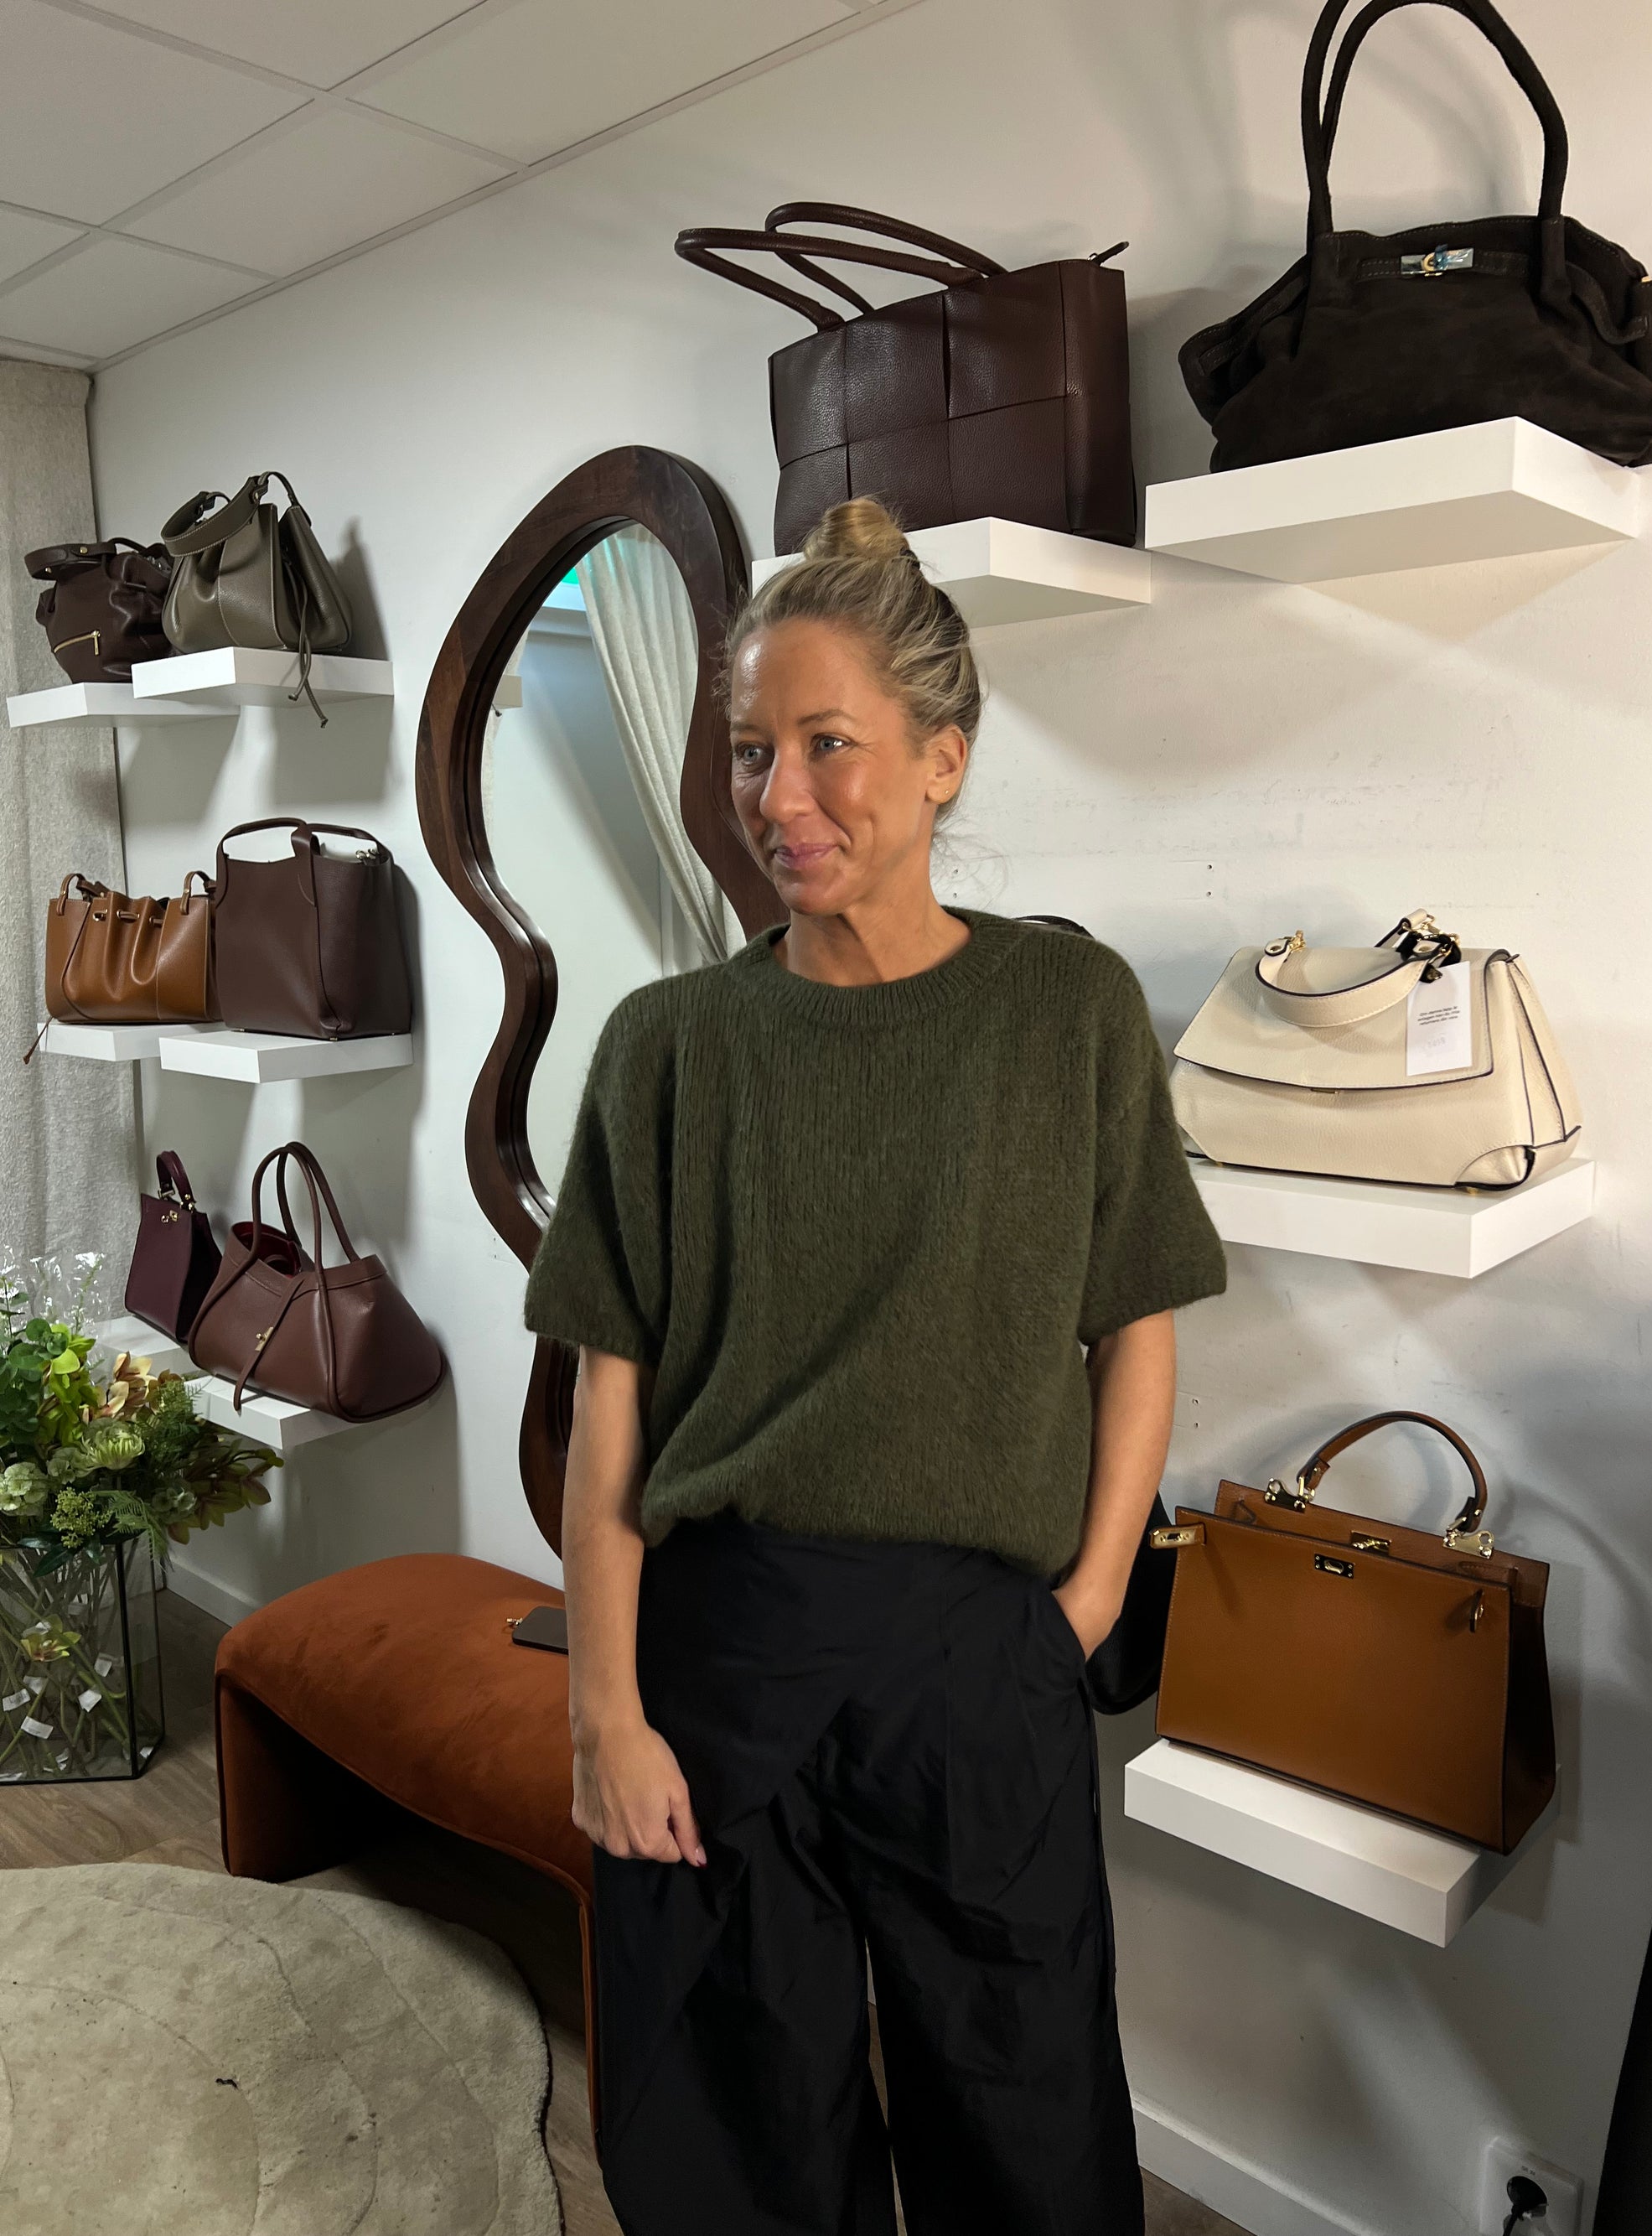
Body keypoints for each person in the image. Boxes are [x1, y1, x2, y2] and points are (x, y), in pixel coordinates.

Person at [524, 496, 1227, 2236]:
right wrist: (604, 1711)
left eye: (827, 744)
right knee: (738, 2147)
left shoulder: (1065, 1013)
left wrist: (1076, 1613)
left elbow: (1132, 1328)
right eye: (749, 751)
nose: (780, 796)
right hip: (721, 1652)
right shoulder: (668, 1046)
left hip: (978, 1664)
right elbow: (611, 1409)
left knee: (1027, 2128)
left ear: (942, 761)